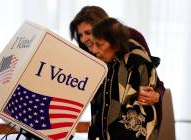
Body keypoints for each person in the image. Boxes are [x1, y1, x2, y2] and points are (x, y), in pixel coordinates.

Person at [69, 5, 165, 136]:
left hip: (133, 128)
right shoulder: (88, 49)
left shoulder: (132, 39)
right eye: (80, 34)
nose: (83, 39)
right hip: (102, 125)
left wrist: (157, 94)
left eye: (88, 32)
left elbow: (152, 78)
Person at [89, 17, 158, 140]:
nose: (94, 50)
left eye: (99, 45)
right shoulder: (106, 60)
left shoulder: (137, 61)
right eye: (92, 44)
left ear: (115, 44)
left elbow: (136, 116)